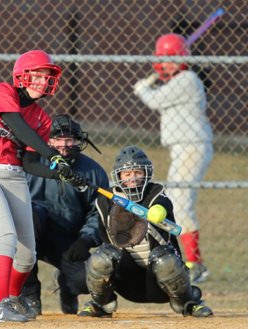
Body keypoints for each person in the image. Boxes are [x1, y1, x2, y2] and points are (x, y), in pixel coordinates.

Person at [0, 50, 85, 323]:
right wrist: (54, 156)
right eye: (39, 74)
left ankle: (12, 299)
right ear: (22, 76)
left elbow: (30, 162)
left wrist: (60, 174)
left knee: (28, 255)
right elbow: (19, 127)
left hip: (15, 177)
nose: (44, 79)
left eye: (48, 75)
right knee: (6, 237)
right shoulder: (3, 91)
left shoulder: (42, 118)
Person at [77, 146, 213, 318]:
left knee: (165, 259)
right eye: (127, 174)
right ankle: (101, 304)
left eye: (137, 172)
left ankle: (188, 303)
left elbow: (164, 204)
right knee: (101, 257)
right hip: (127, 282)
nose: (133, 178)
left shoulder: (155, 193)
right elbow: (105, 239)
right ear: (118, 176)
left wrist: (158, 211)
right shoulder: (105, 201)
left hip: (161, 283)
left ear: (146, 173)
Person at [132, 33, 214, 283]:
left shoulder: (187, 79)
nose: (165, 64)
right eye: (162, 59)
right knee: (175, 201)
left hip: (192, 146)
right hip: (183, 147)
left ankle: (195, 264)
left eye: (170, 59)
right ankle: (188, 260)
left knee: (179, 203)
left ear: (182, 60)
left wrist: (143, 88)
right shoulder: (177, 82)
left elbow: (155, 100)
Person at [21, 114, 110, 316]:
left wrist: (85, 240)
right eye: (56, 139)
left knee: (89, 279)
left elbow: (100, 211)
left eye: (68, 139)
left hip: (67, 241)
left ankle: (67, 287)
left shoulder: (93, 171)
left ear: (78, 140)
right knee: (30, 217)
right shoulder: (31, 164)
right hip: (33, 232)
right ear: (46, 141)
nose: (63, 145)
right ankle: (29, 294)